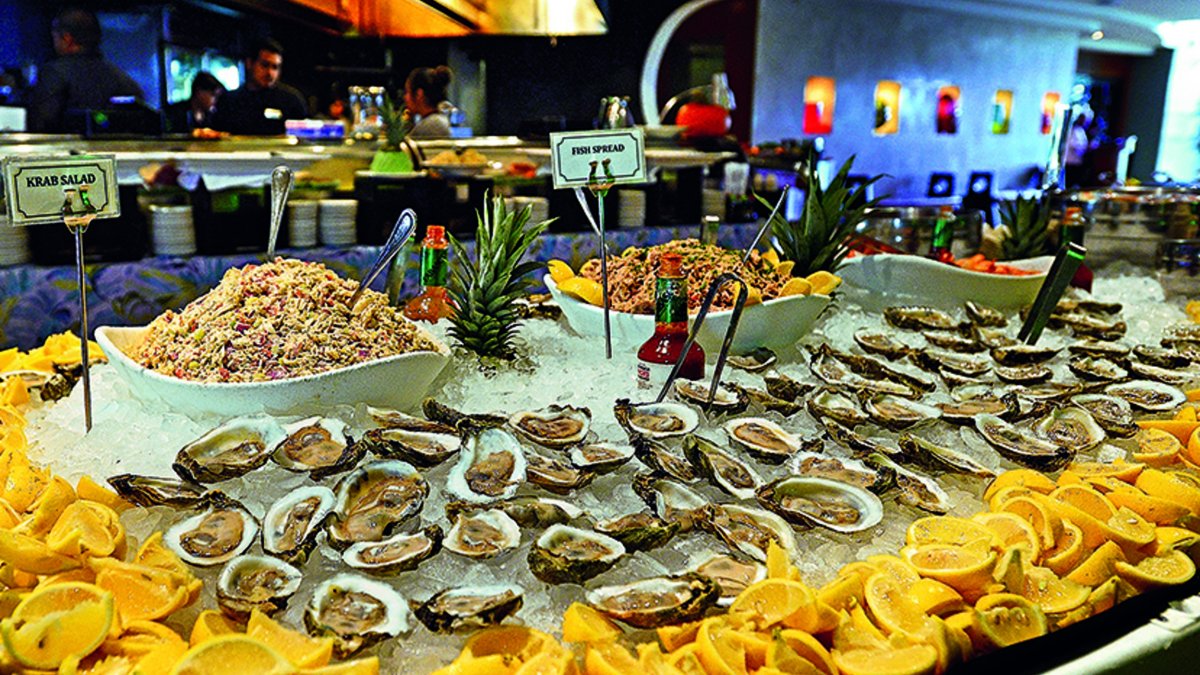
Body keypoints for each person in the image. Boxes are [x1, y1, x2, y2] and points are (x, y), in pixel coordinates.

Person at [27, 7, 144, 133]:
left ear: (67, 39)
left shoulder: (54, 73)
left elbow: (41, 124)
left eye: (55, 37)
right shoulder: (124, 80)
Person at [211, 38, 307, 135]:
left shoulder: (291, 101)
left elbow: (303, 139)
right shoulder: (229, 102)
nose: (270, 73)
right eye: (265, 65)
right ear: (249, 63)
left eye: (275, 67)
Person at [404, 66, 454, 138]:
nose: (405, 97)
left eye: (407, 92)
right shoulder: (436, 120)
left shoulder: (432, 125)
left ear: (419, 94)